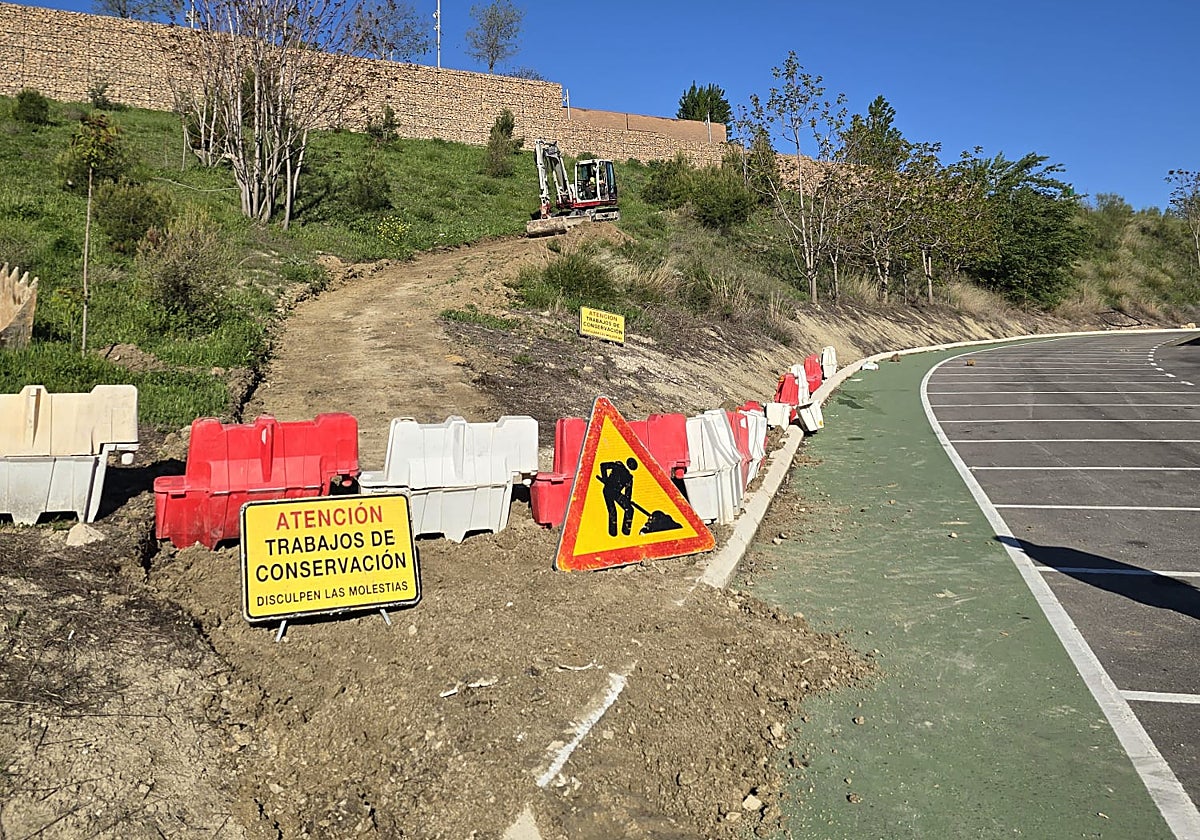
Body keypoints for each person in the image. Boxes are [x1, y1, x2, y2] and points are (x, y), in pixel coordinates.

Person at [597, 457, 638, 537]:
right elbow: (603, 465)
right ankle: (613, 532)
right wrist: (605, 479)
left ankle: (625, 531)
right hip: (609, 490)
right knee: (613, 511)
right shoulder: (618, 466)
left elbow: (628, 491)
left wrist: (627, 501)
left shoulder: (629, 477)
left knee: (629, 509)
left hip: (615, 492)